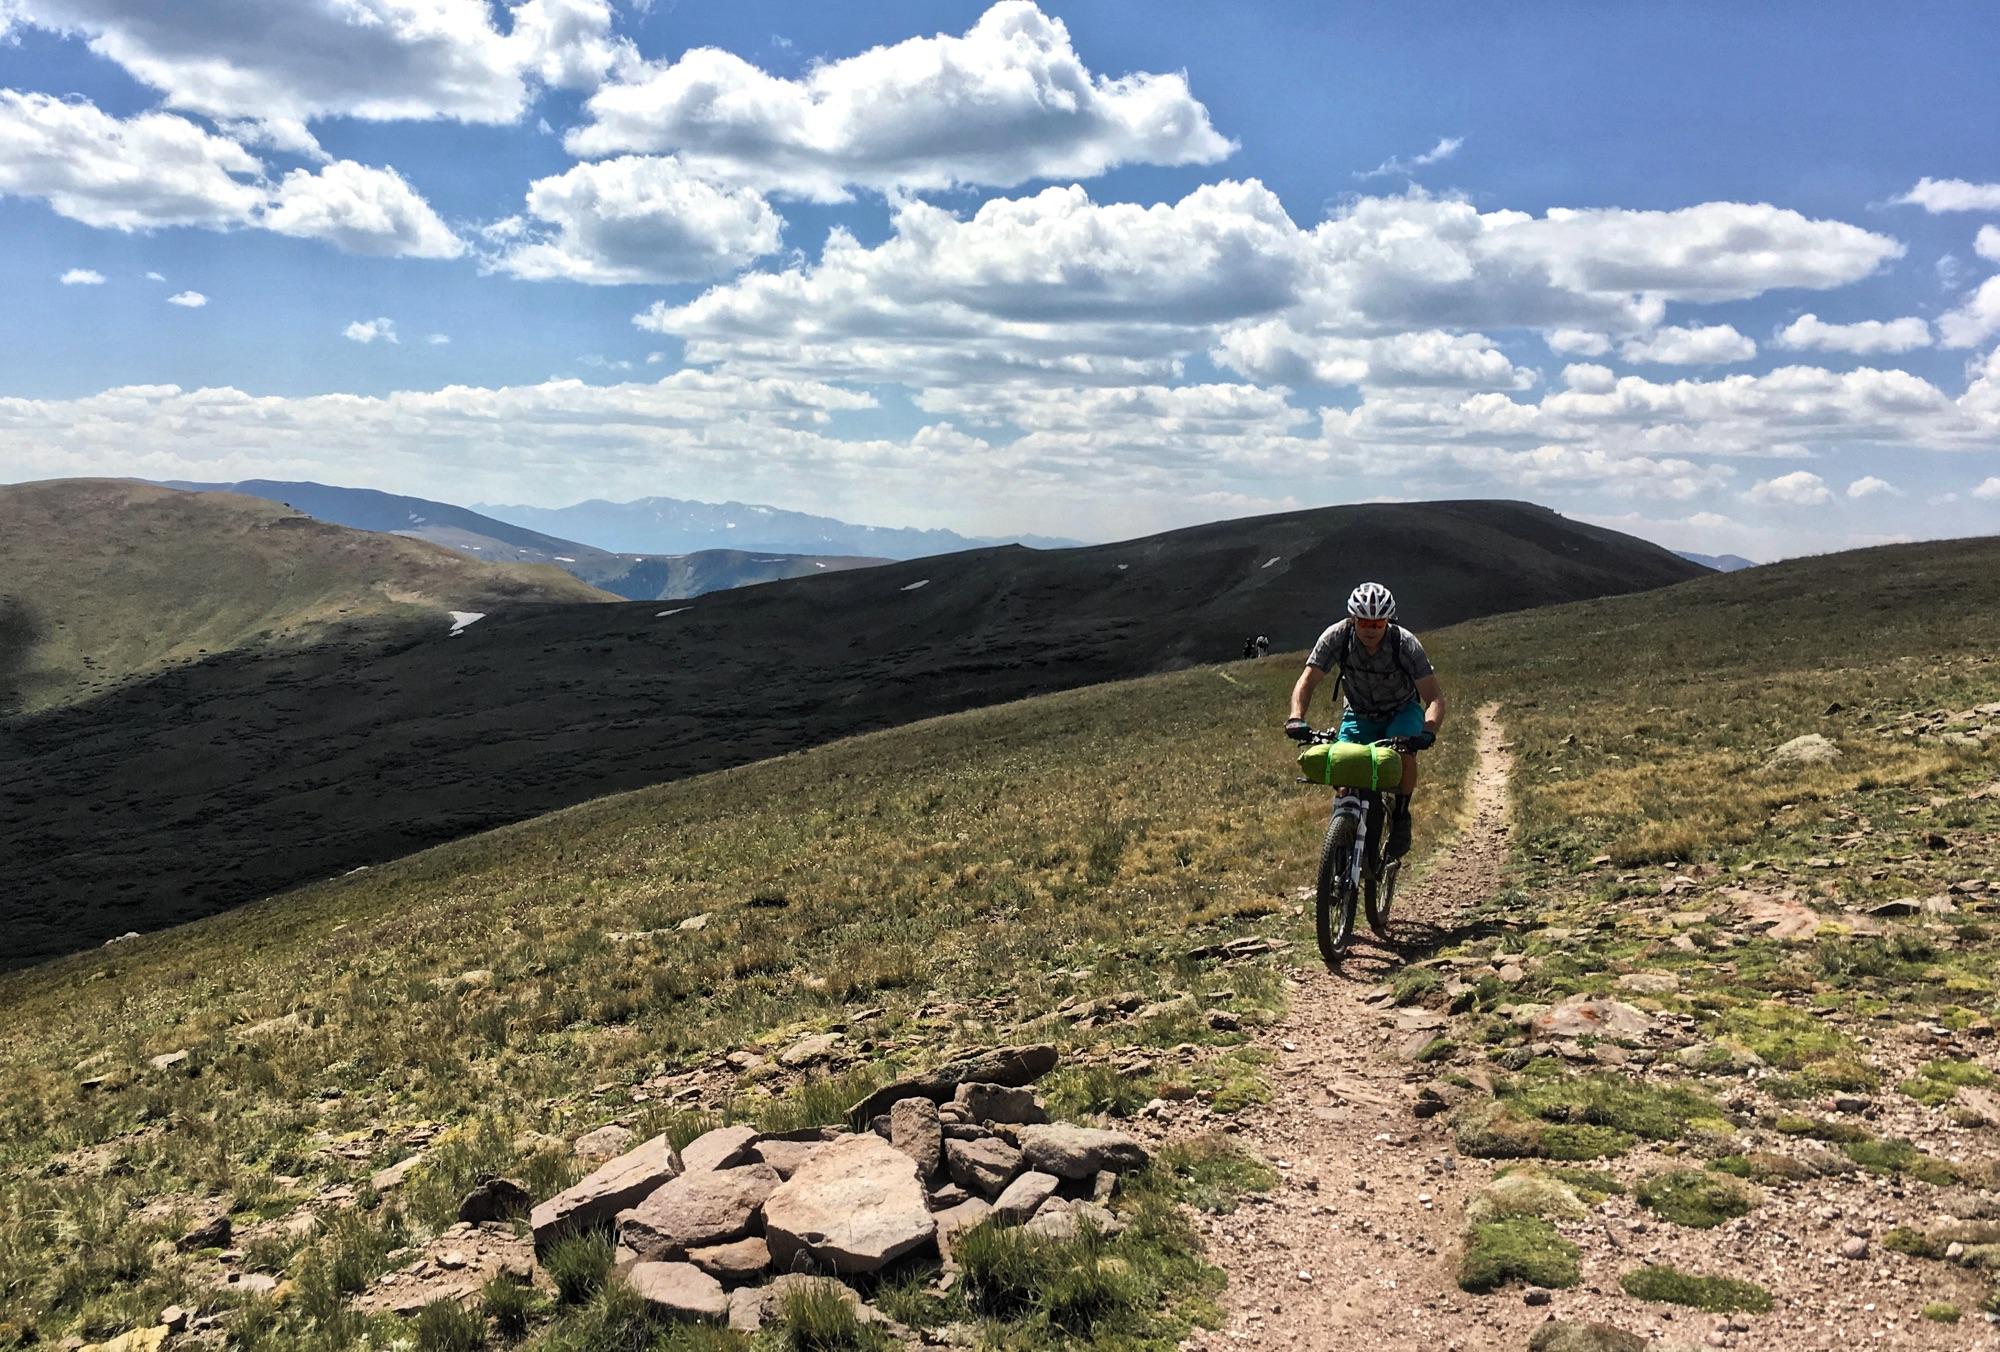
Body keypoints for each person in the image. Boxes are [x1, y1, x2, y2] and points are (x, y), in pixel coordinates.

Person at [1282, 582, 1445, 859]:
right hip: (1358, 712)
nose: (1371, 629)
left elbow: (1434, 697)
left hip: (1401, 710)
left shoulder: (1405, 644)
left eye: (1378, 623)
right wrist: (1296, 718)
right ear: (1353, 619)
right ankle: (1342, 837)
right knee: (1343, 767)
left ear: (1388, 621)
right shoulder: (1337, 637)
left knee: (1403, 754)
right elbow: (1307, 681)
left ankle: (1401, 817)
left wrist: (1428, 731)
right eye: (1364, 622)